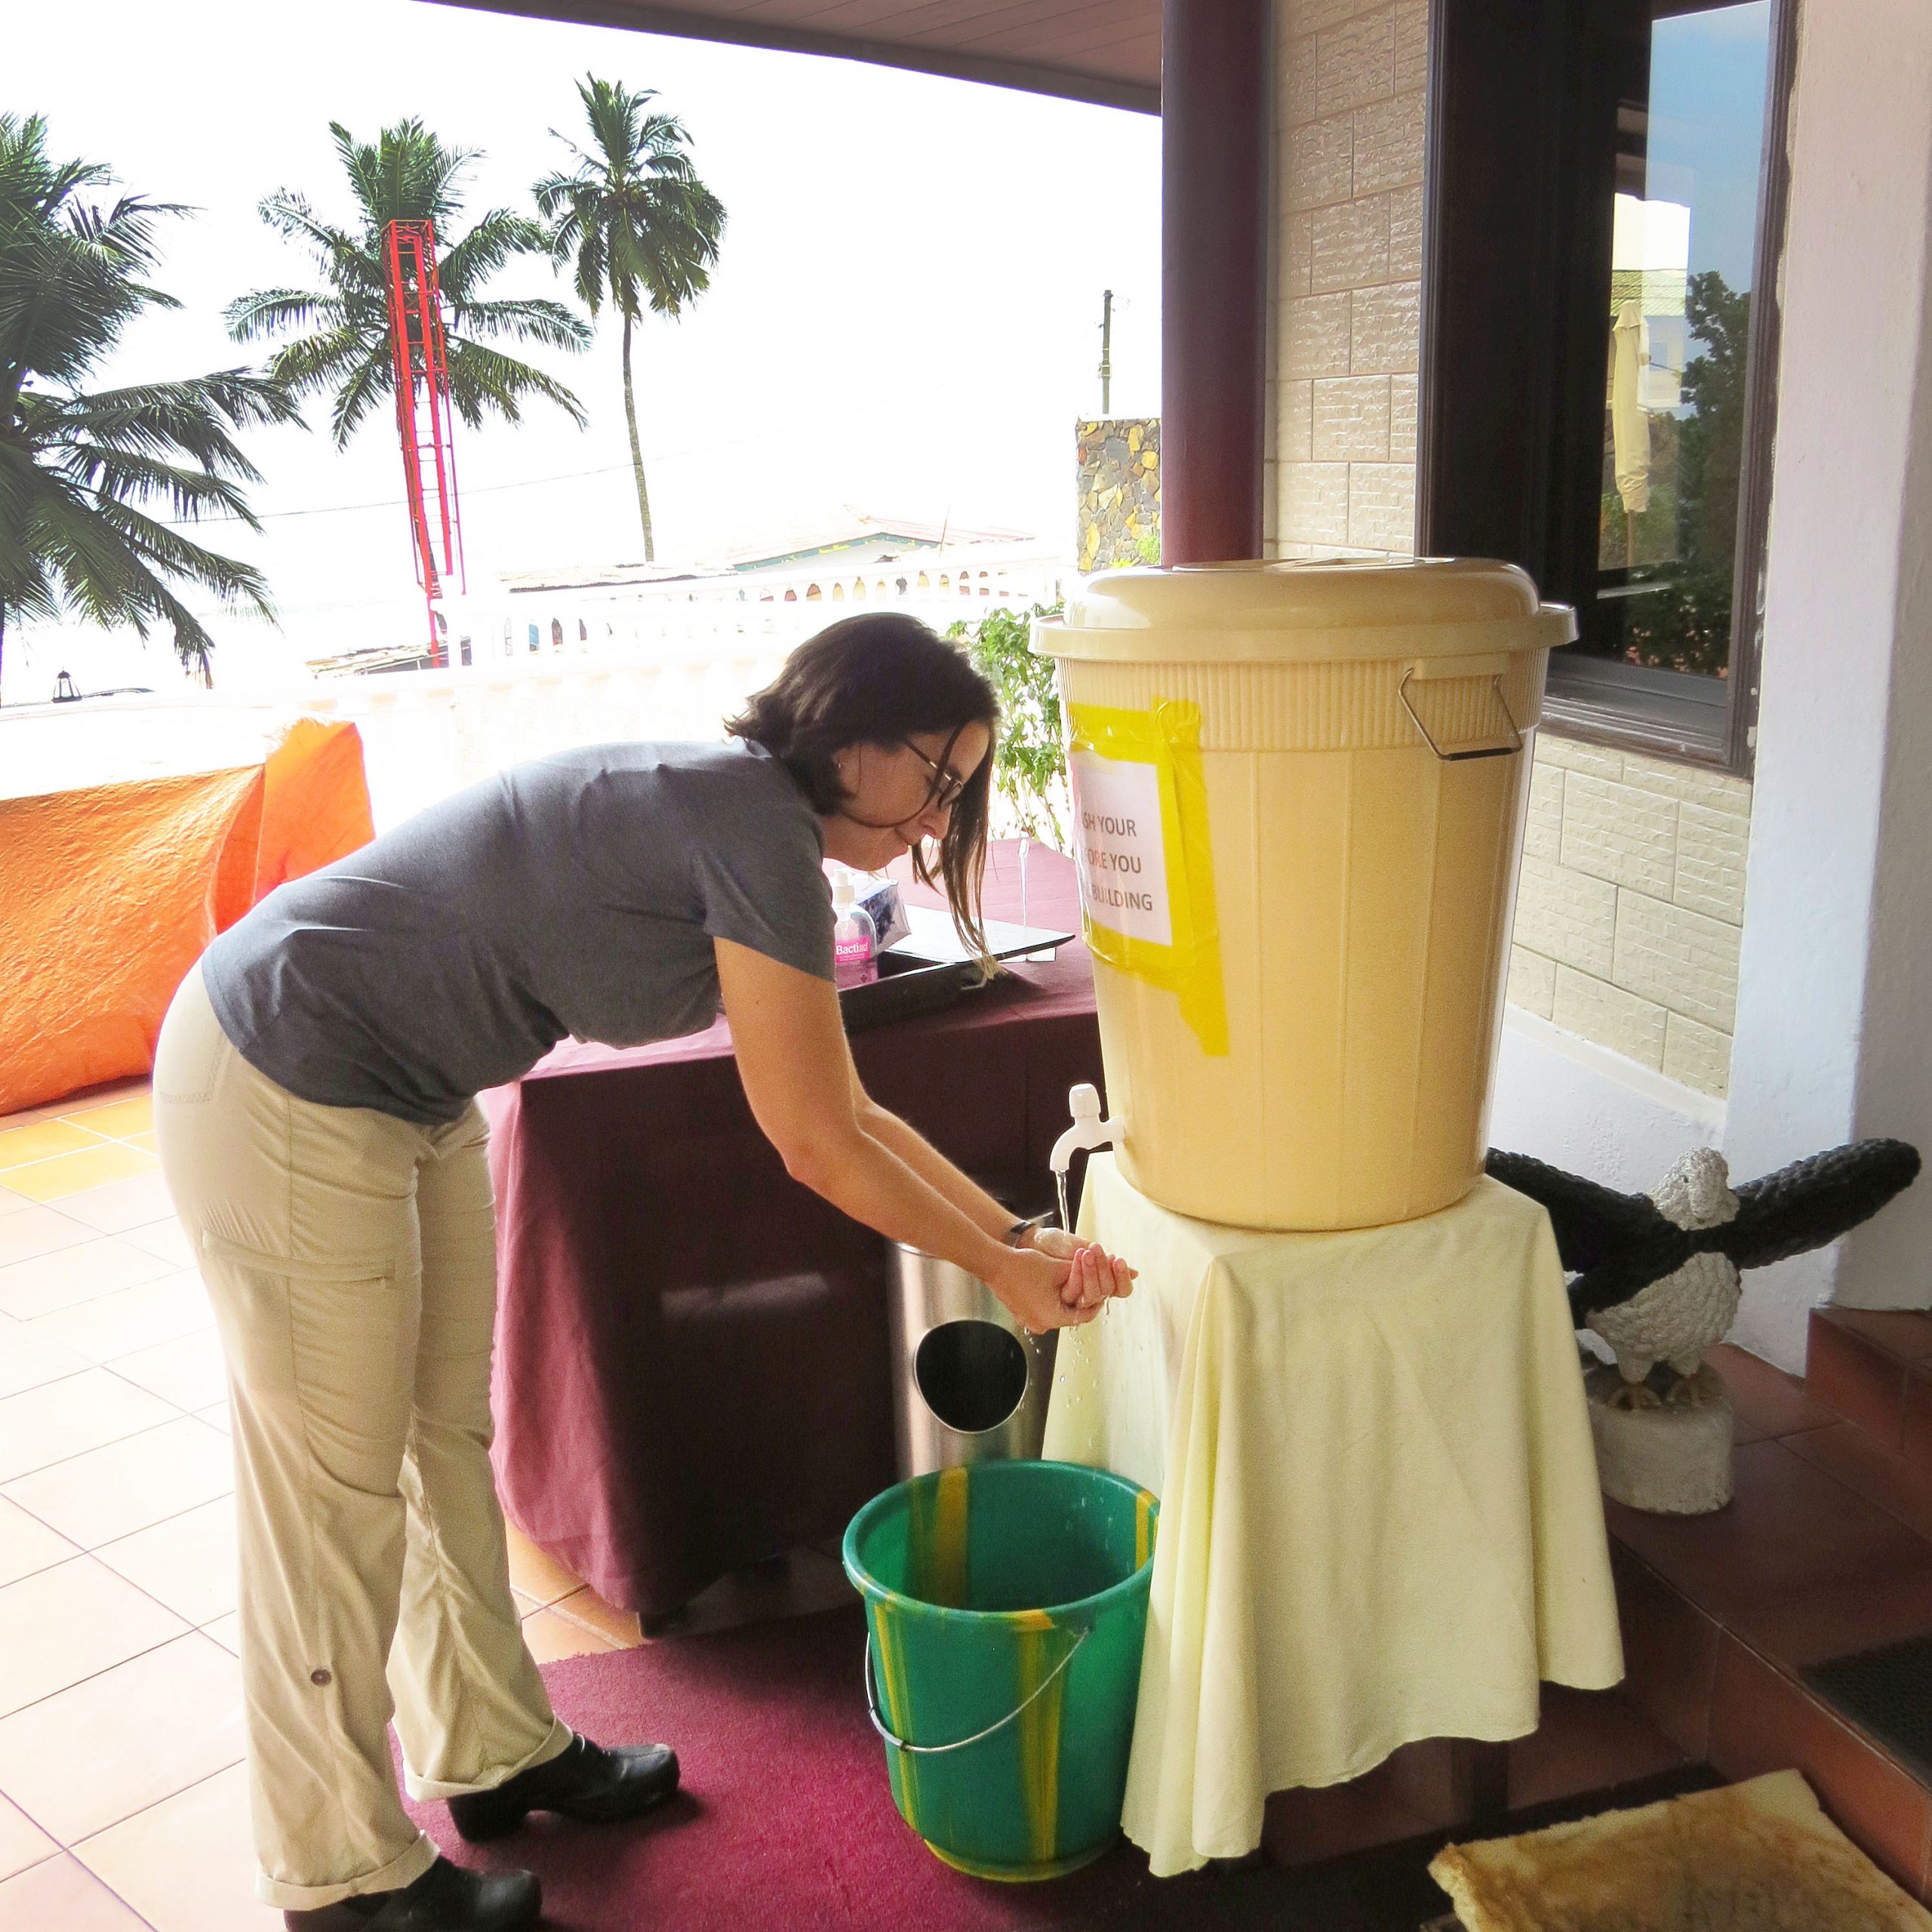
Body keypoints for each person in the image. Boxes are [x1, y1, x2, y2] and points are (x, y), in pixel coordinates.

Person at [152, 614, 1134, 1932]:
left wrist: (1015, 1246)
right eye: (934, 778)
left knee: (442, 1441)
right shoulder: (753, 830)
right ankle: (337, 1878)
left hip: (411, 1088)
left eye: (961, 794)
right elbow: (814, 1143)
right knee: (329, 1498)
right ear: (844, 723)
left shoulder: (750, 824)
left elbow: (848, 1109)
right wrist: (1004, 1267)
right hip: (282, 1069)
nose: (934, 821)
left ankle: (493, 1752)